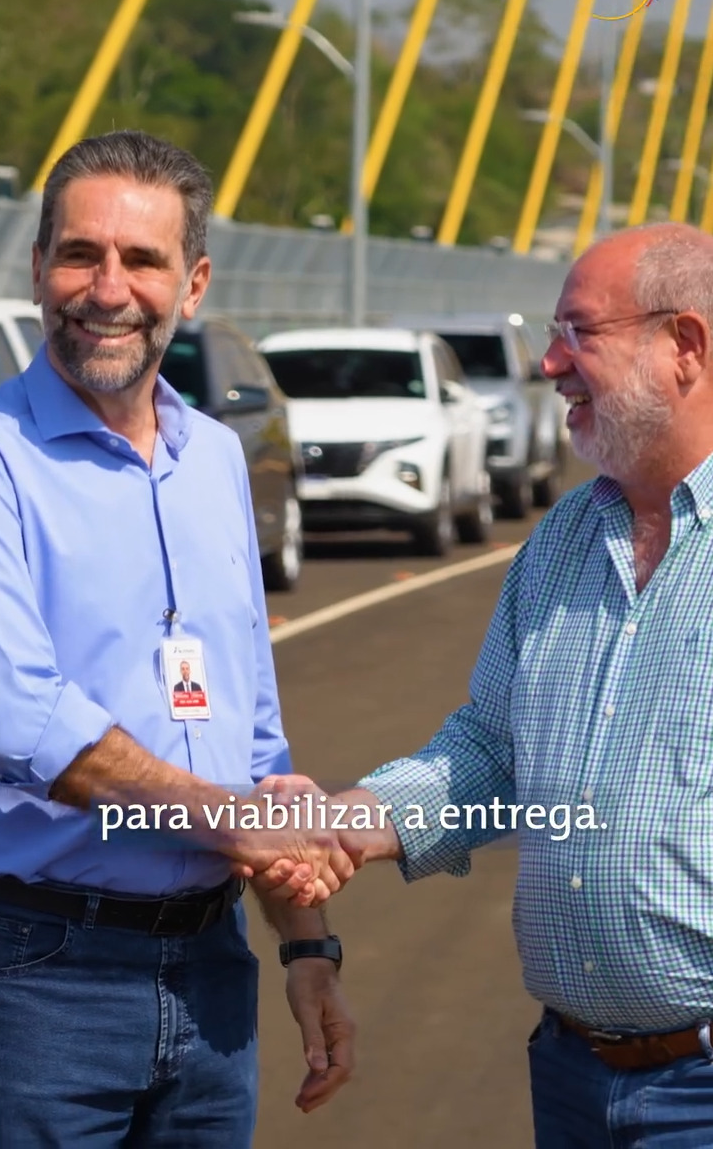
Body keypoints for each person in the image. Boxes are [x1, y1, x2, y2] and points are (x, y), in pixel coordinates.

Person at [261, 221, 713, 1147]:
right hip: (574, 1076)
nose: (548, 363)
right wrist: (346, 822)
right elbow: (486, 758)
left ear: (687, 347)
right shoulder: (557, 547)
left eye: (580, 332)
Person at [0, 129, 353, 1146]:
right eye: (80, 254)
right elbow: (21, 714)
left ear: (191, 285)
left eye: (142, 260)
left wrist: (307, 947)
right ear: (37, 268)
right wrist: (234, 821)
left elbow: (254, 745)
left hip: (213, 978)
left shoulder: (214, 465)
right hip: (39, 977)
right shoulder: (0, 460)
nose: (107, 288)